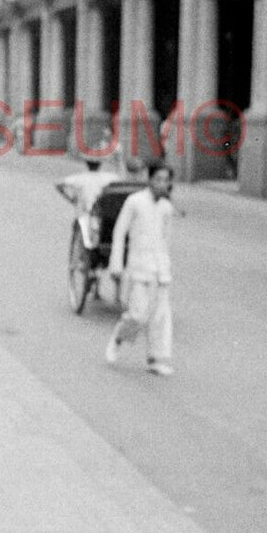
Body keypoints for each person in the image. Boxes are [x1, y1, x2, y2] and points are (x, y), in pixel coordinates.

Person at [105, 160, 176, 376]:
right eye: (158, 179)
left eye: (166, 180)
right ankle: (119, 337)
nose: (161, 184)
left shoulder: (166, 208)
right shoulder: (134, 202)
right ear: (149, 179)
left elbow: (166, 239)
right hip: (139, 266)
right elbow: (119, 233)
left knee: (160, 316)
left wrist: (166, 266)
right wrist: (116, 262)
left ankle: (155, 358)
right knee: (137, 314)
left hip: (160, 269)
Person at [56, 155, 121, 216]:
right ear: (99, 165)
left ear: (87, 164)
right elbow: (120, 179)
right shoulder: (107, 177)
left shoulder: (80, 177)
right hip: (100, 210)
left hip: (84, 210)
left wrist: (71, 199)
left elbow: (58, 184)